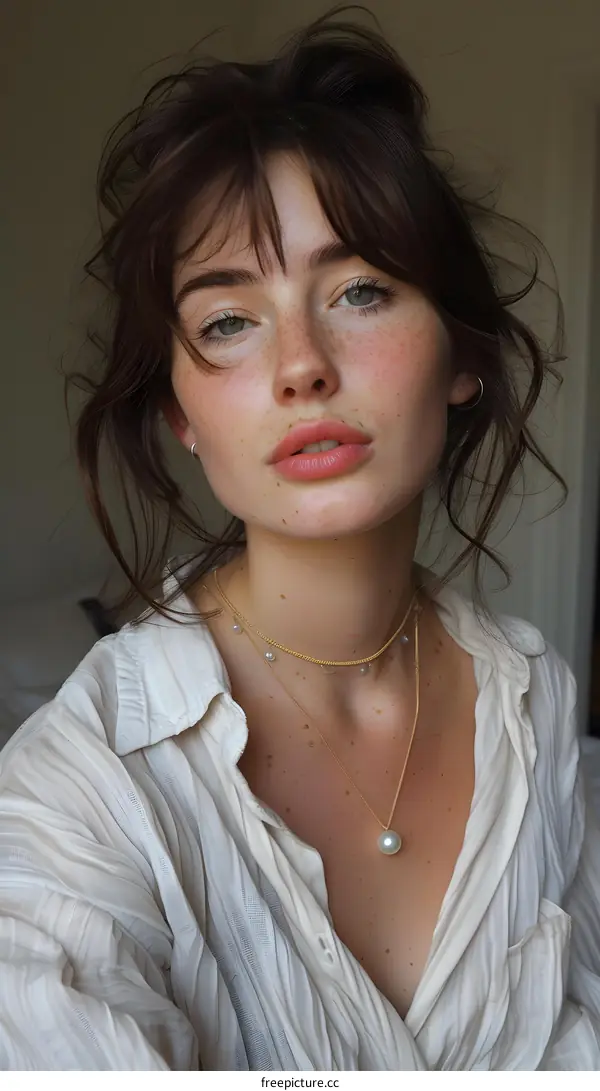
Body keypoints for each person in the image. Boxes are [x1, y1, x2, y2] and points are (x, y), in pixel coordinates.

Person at [0, 10, 599, 1072]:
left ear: (460, 352)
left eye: (360, 290)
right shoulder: (80, 791)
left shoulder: (535, 702)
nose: (301, 365)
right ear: (181, 410)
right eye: (229, 320)